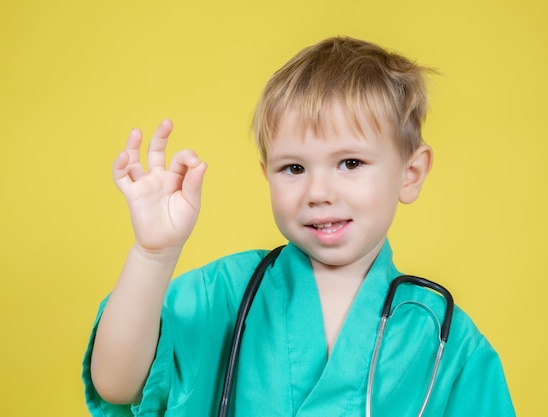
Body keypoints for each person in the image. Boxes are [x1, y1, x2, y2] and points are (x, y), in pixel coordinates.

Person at [82, 36, 515, 417]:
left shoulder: (446, 339)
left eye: (350, 163)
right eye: (293, 168)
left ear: (411, 172)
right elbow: (117, 385)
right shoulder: (230, 293)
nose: (318, 191)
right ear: (265, 172)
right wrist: (153, 253)